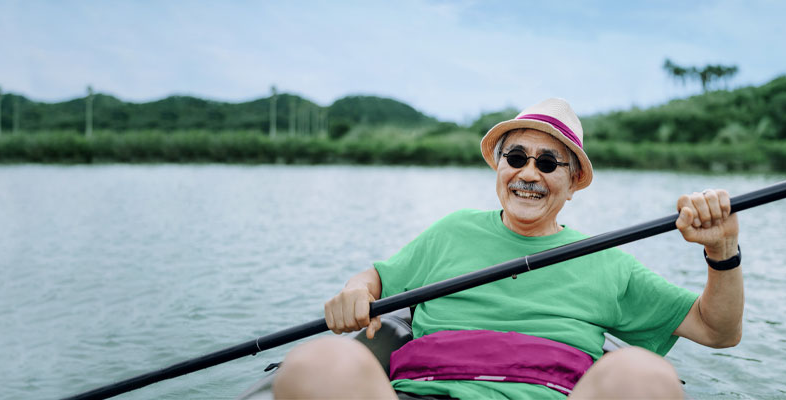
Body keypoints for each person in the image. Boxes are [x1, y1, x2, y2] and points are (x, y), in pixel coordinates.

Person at [271, 98, 742, 399]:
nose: (529, 173)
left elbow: (717, 330)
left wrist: (723, 250)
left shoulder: (606, 258)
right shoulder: (451, 231)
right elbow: (377, 279)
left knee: (645, 374)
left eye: (549, 162)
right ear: (499, 168)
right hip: (427, 391)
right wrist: (355, 288)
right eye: (515, 157)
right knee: (318, 362)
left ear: (574, 182)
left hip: (551, 392)